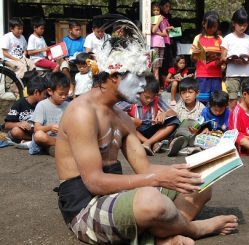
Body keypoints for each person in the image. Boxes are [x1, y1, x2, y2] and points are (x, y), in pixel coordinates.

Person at [55, 20, 238, 245]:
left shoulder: (122, 117)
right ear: (114, 77)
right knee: (152, 201)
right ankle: (193, 229)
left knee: (198, 184)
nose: (144, 84)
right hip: (85, 209)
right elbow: (94, 182)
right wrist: (157, 178)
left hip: (114, 198)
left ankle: (161, 237)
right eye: (138, 76)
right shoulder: (82, 112)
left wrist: (183, 171)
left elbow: (145, 168)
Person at [127, 75, 182, 156]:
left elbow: (173, 113)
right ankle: (151, 143)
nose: (150, 100)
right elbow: (115, 113)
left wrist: (164, 114)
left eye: (152, 97)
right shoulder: (131, 100)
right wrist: (130, 119)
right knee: (125, 124)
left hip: (151, 129)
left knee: (174, 121)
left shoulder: (157, 100)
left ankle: (148, 143)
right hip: (136, 131)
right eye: (147, 97)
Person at [221, 8, 249, 109]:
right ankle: (232, 123)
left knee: (245, 100)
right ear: (233, 24)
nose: (242, 28)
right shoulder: (227, 38)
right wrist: (231, 60)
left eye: (245, 25)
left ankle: (243, 123)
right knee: (232, 101)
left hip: (246, 74)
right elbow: (223, 57)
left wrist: (246, 60)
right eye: (240, 25)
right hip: (232, 74)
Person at [29, 72, 70, 156]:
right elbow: (37, 129)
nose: (64, 97)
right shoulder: (42, 105)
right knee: (39, 135)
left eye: (66, 94)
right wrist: (50, 127)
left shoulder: (68, 105)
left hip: (64, 138)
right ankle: (63, 146)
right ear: (50, 91)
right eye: (61, 94)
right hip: (49, 139)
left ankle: (60, 147)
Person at [191, 11, 223, 104]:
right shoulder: (198, 38)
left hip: (216, 75)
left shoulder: (220, 39)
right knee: (202, 101)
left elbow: (223, 57)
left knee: (216, 101)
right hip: (202, 74)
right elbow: (193, 59)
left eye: (214, 26)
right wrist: (194, 54)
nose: (212, 29)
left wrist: (221, 60)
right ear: (203, 24)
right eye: (209, 26)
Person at [4, 76, 47, 144]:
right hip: (25, 134)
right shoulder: (19, 104)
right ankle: (33, 140)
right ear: (36, 92)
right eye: (44, 94)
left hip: (39, 131)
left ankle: (35, 139)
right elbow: (7, 125)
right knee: (16, 131)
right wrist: (19, 124)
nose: (45, 96)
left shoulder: (44, 104)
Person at [172, 77, 205, 156]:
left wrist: (198, 131)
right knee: (177, 136)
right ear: (180, 94)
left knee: (201, 136)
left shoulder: (202, 108)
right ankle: (176, 145)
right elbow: (172, 113)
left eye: (190, 92)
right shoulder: (179, 106)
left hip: (195, 134)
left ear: (197, 93)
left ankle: (194, 148)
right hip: (180, 135)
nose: (187, 95)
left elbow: (203, 123)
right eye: (183, 93)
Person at [159, 0, 174, 86]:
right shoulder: (159, 18)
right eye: (166, 6)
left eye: (169, 7)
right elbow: (158, 30)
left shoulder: (166, 18)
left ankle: (166, 83)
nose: (168, 8)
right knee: (163, 65)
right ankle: (164, 84)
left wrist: (171, 34)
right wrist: (167, 29)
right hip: (161, 43)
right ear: (161, 7)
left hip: (167, 43)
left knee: (168, 63)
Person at [151, 2, 167, 83]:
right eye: (154, 10)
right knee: (154, 66)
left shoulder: (161, 20)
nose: (156, 12)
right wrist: (158, 21)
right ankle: (155, 85)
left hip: (161, 44)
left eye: (158, 10)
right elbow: (153, 30)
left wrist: (157, 32)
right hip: (154, 45)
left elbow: (165, 34)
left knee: (158, 66)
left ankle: (156, 85)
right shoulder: (151, 19)